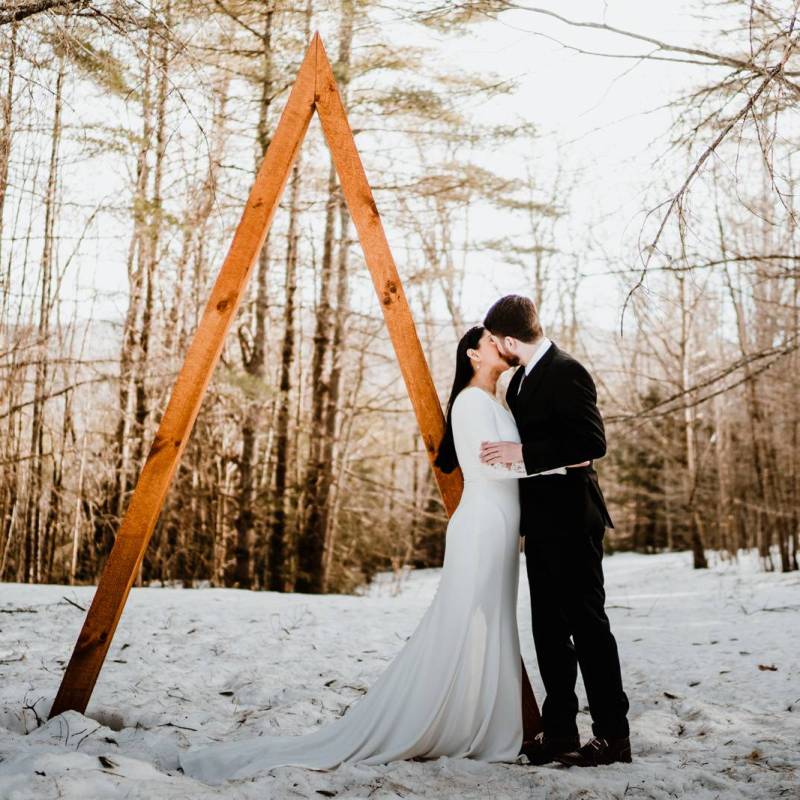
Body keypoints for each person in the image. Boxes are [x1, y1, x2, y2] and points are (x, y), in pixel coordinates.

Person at [178, 325, 571, 784]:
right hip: (481, 526)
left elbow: (510, 457)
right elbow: (487, 462)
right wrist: (550, 460)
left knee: (494, 624)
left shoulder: (500, 400)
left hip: (503, 529)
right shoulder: (467, 402)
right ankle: (419, 721)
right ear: (472, 355)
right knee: (457, 624)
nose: (501, 349)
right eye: (490, 343)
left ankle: (486, 724)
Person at [480, 294, 632, 767]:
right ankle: (561, 733)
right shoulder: (520, 380)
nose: (491, 348)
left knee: (588, 628)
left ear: (508, 339)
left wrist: (520, 454)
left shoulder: (567, 370)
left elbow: (592, 443)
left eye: (491, 340)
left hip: (573, 515)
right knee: (547, 630)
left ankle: (613, 735)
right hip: (541, 524)